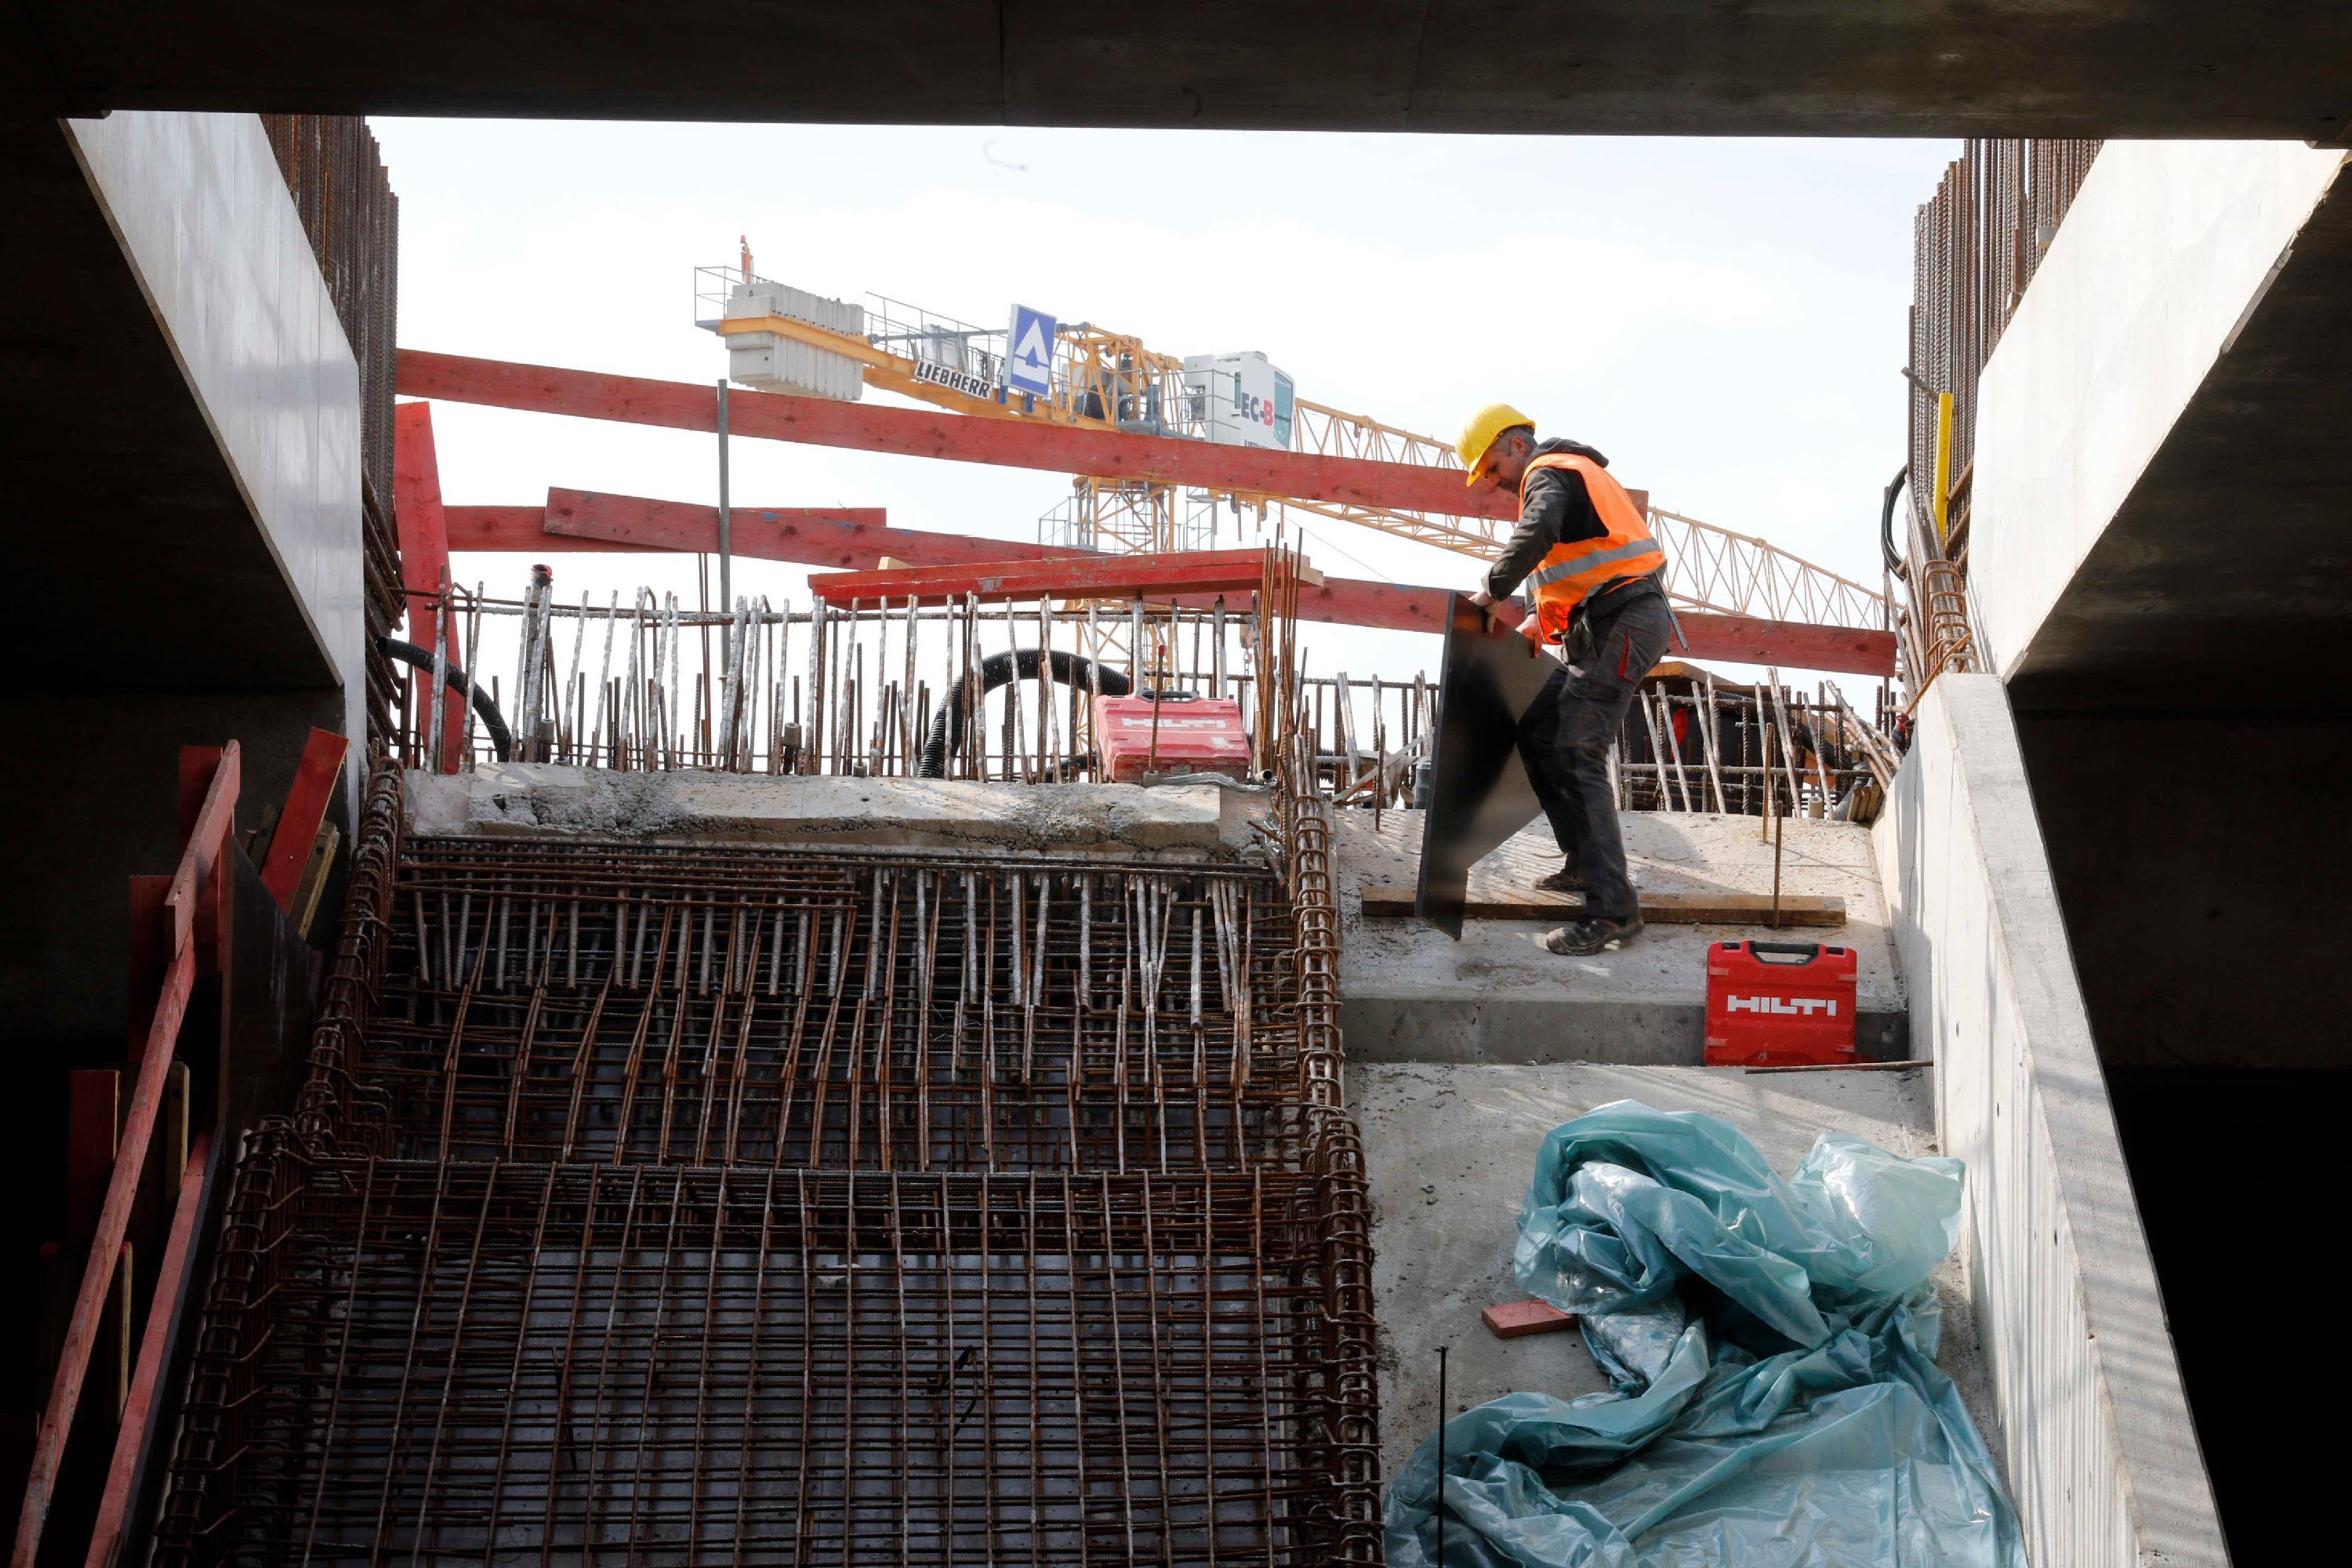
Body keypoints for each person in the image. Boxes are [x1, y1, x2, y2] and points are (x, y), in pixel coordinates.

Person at [1458, 402, 1672, 956]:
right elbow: (1571, 561)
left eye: (1492, 469)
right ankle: (1582, 861)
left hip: (1625, 618)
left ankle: (1612, 911)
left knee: (1579, 747)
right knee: (1541, 728)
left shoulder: (1548, 471)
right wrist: (1538, 616)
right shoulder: (1566, 477)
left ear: (1516, 445)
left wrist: (1491, 592)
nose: (1494, 483)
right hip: (1607, 620)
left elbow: (1540, 529)